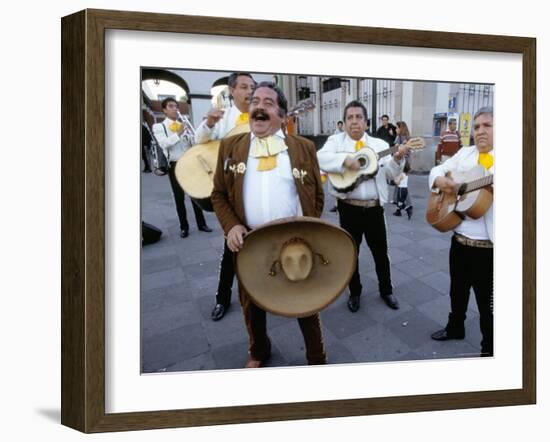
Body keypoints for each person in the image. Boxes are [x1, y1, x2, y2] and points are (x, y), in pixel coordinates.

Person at [211, 81, 326, 368]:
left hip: (295, 241)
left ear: (283, 116)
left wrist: (309, 228)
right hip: (249, 241)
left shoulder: (304, 148)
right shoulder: (230, 146)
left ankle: (316, 357)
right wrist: (232, 226)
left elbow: (318, 194)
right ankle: (259, 351)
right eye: (254, 101)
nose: (259, 107)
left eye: (268, 103)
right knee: (251, 305)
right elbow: (218, 194)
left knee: (306, 303)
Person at [317, 101, 409, 313]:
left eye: (359, 117)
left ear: (366, 123)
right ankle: (355, 292)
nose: (354, 121)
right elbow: (319, 157)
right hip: (348, 207)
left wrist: (397, 159)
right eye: (350, 117)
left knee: (381, 252)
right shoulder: (335, 141)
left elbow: (392, 175)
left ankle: (386, 290)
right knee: (351, 252)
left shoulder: (379, 145)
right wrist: (345, 161)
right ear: (345, 123)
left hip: (374, 208)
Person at [429, 107, 494, 357]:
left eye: (487, 125)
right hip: (459, 240)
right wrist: (441, 182)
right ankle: (455, 327)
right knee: (457, 290)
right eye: (476, 126)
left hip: (490, 250)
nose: (480, 131)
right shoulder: (465, 154)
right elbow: (437, 170)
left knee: (489, 307)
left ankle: (489, 352)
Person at [194, 73, 256, 322]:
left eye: (252, 87)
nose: (249, 91)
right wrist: (209, 122)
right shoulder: (225, 118)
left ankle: (265, 295)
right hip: (230, 193)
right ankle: (222, 298)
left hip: (255, 188)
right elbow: (200, 140)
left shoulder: (261, 114)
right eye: (243, 87)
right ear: (232, 91)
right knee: (231, 248)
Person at [152, 98, 212, 238]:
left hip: (189, 163)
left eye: (176, 106)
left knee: (195, 194)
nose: (175, 109)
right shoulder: (159, 127)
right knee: (179, 197)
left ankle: (201, 224)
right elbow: (164, 144)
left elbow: (193, 143)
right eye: (171, 106)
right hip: (174, 164)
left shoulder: (183, 124)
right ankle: (184, 227)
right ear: (165, 110)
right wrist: (178, 134)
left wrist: (194, 134)